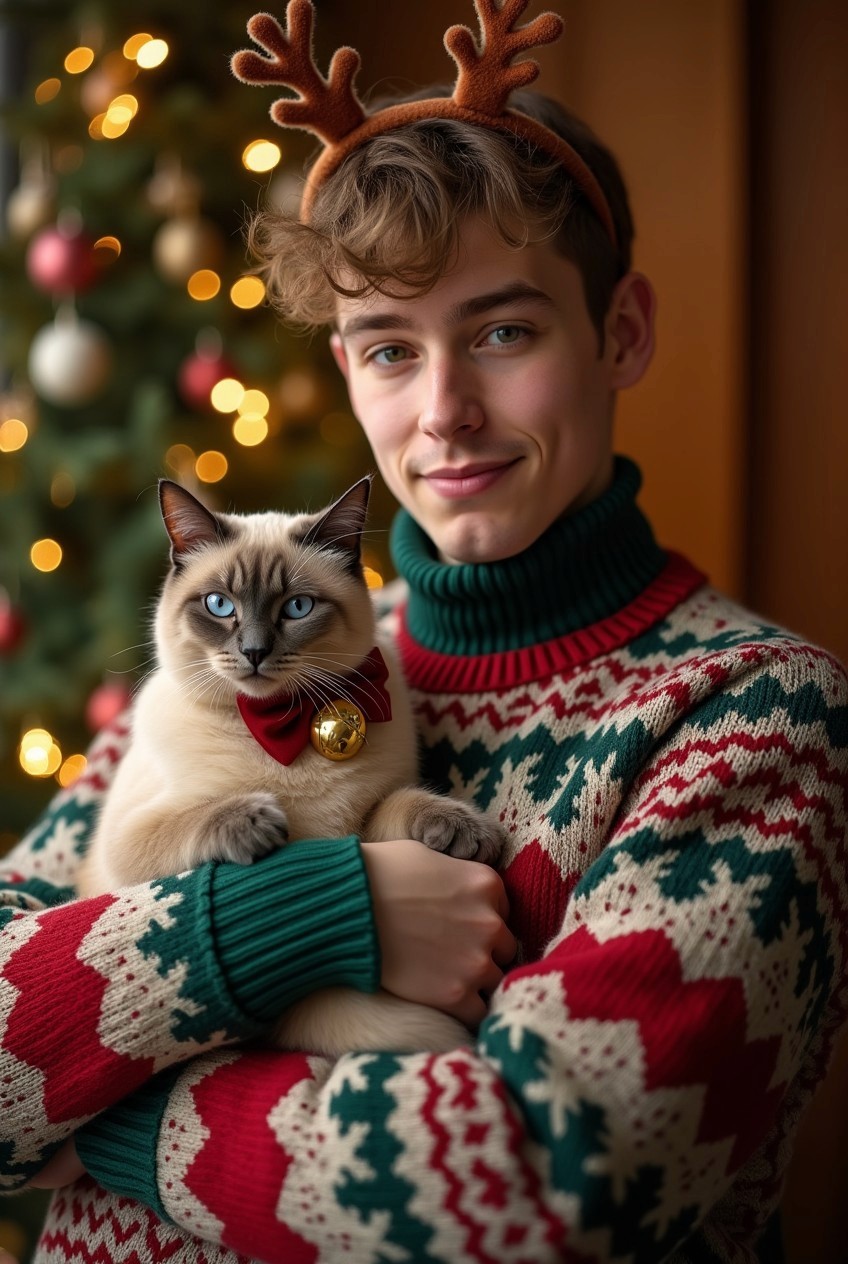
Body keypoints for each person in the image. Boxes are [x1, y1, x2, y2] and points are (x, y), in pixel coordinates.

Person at [3, 3, 847, 1260]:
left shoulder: (756, 714)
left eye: (502, 332)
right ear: (346, 369)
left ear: (618, 334)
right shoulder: (265, 671)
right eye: (389, 349)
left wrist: (109, 1125)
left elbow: (531, 1192)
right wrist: (298, 911)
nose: (442, 412)